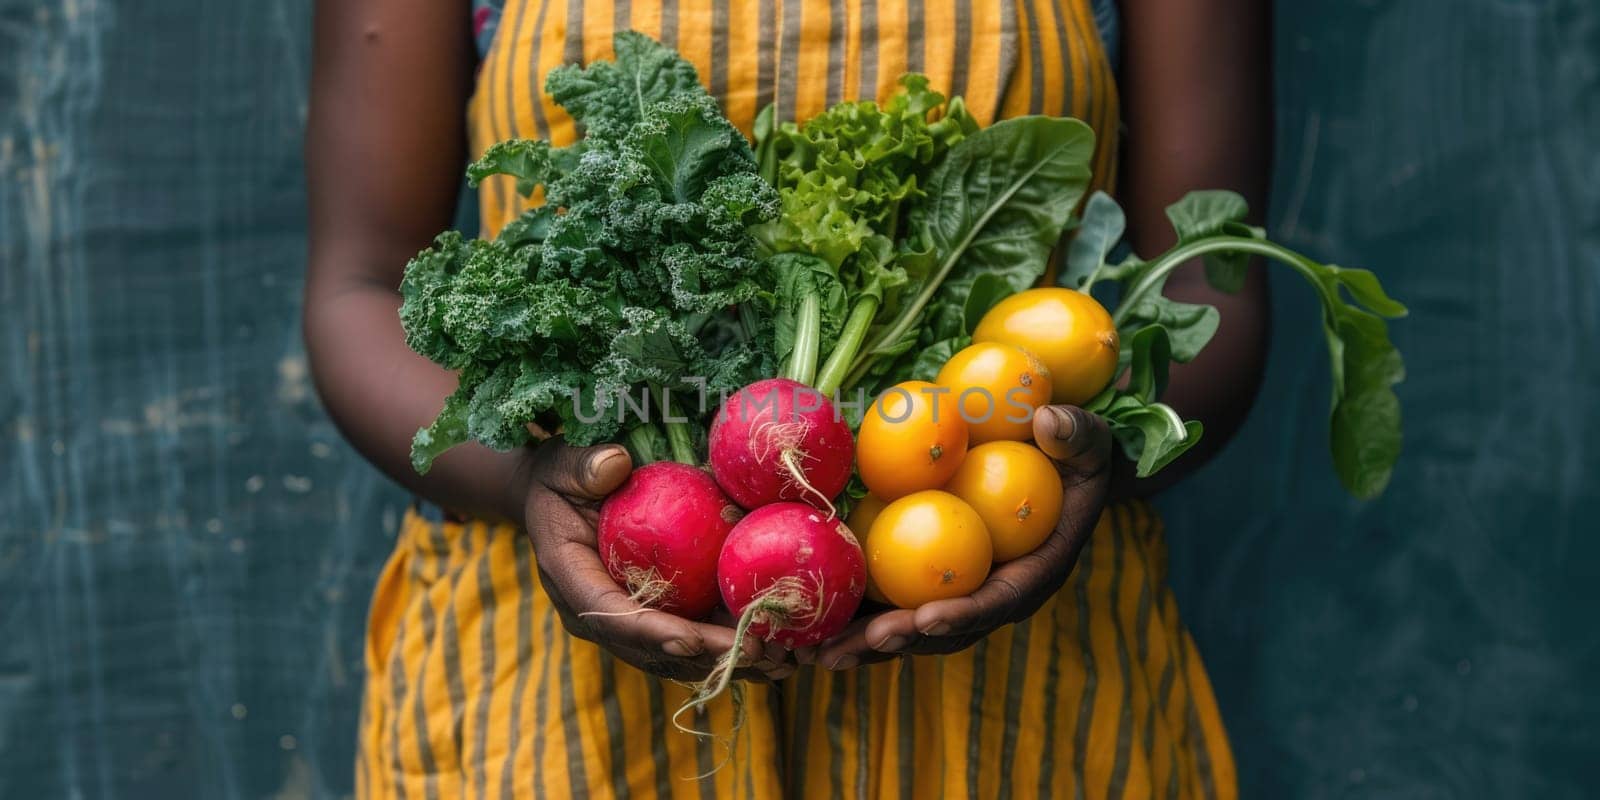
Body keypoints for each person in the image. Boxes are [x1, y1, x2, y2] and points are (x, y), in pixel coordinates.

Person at [305, 0, 1270, 797]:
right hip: (550, 704)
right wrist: (527, 480)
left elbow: (1212, 285)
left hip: (1018, 694)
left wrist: (1065, 477)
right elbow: (357, 288)